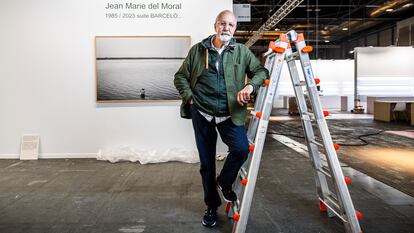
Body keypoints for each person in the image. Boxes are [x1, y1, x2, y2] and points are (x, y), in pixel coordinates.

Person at [174, 10, 268, 227]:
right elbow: (180, 76)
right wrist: (189, 98)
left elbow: (261, 71)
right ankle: (211, 206)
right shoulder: (198, 50)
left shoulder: (241, 51)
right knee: (206, 164)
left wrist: (249, 85)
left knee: (241, 149)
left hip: (229, 113)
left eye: (231, 25)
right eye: (223, 24)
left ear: (235, 28)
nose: (226, 28)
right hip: (202, 112)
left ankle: (225, 182)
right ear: (215, 25)